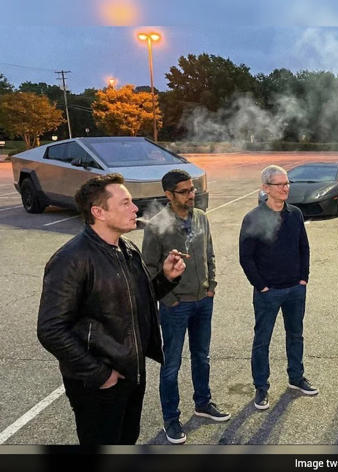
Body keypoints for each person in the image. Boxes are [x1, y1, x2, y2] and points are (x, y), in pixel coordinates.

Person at [37, 174, 186, 446]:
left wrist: (166, 278)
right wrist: (100, 374)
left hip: (131, 374)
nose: (135, 208)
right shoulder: (71, 259)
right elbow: (50, 329)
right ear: (99, 212)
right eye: (125, 203)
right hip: (97, 384)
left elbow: (139, 299)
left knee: (127, 440)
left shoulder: (127, 249)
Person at [142, 169, 230, 445]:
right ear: (169, 194)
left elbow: (209, 253)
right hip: (175, 307)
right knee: (171, 364)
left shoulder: (201, 217)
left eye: (192, 189)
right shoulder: (157, 225)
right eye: (184, 191)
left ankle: (203, 403)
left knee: (202, 357)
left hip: (203, 301)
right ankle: (171, 419)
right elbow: (149, 269)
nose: (192, 195)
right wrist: (170, 299)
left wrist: (211, 285)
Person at [239, 165, 317, 411]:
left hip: (295, 288)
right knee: (262, 341)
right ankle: (261, 387)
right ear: (266, 188)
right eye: (279, 184)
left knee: (296, 335)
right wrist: (261, 286)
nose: (285, 188)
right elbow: (246, 257)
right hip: (268, 292)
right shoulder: (253, 218)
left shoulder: (295, 214)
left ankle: (296, 377)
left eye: (287, 183)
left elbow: (304, 247)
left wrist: (303, 278)